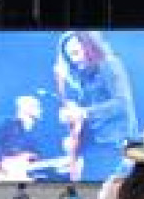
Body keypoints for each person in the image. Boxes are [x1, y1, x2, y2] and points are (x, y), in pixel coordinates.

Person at [54, 31, 138, 181]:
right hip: (96, 148)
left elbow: (122, 104)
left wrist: (83, 113)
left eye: (76, 53)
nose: (74, 60)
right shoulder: (83, 77)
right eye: (69, 56)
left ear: (89, 46)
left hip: (113, 146)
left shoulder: (109, 64)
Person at [0, 95, 44, 181]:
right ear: (26, 109)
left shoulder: (34, 132)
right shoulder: (7, 122)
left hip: (21, 172)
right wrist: (0, 166)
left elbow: (35, 154)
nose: (41, 110)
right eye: (37, 106)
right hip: (2, 172)